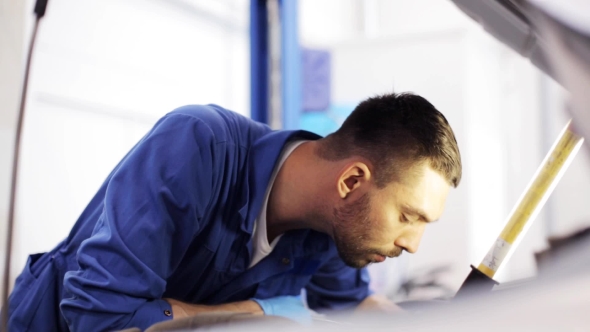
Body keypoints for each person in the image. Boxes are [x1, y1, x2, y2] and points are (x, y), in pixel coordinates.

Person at [7, 92, 462, 331]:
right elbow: (100, 317)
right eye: (408, 216)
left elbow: (350, 304)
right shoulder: (197, 146)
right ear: (351, 182)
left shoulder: (333, 228)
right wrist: (259, 312)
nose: (412, 244)